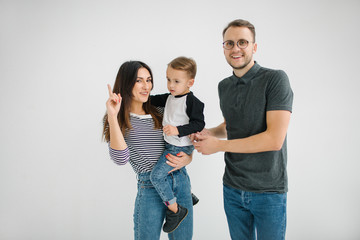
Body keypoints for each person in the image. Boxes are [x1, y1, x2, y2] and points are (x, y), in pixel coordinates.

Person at [192, 19, 294, 240]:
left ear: (254, 47)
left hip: (268, 191)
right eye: (229, 43)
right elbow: (233, 125)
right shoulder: (224, 86)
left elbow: (274, 139)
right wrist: (210, 133)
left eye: (242, 42)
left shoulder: (275, 79)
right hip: (232, 187)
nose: (235, 48)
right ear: (224, 48)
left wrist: (218, 146)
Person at [103, 61, 194, 240]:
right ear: (127, 84)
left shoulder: (162, 110)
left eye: (149, 80)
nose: (147, 86)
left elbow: (183, 139)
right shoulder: (119, 119)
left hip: (180, 181)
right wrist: (113, 116)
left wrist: (188, 159)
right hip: (150, 188)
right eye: (139, 81)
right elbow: (121, 159)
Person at [150, 56, 205, 233]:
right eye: (168, 79)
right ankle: (188, 195)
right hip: (170, 145)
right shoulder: (169, 97)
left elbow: (199, 124)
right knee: (174, 170)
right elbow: (150, 100)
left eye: (176, 81)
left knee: (156, 176)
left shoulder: (192, 102)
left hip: (180, 146)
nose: (171, 85)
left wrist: (178, 130)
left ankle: (176, 210)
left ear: (190, 82)